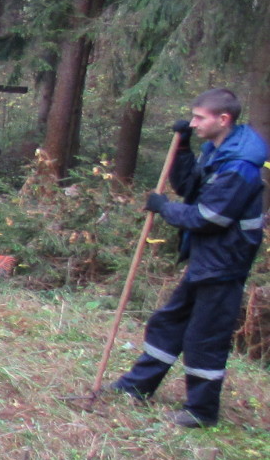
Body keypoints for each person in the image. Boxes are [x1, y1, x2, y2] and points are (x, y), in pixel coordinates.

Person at [110, 89, 265, 428]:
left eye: (199, 118)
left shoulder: (240, 167)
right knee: (171, 322)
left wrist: (165, 209)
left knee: (204, 337)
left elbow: (209, 218)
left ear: (223, 119)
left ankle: (201, 411)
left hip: (225, 263)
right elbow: (190, 188)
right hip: (207, 259)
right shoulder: (220, 150)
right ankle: (137, 386)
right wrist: (182, 149)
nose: (193, 123)